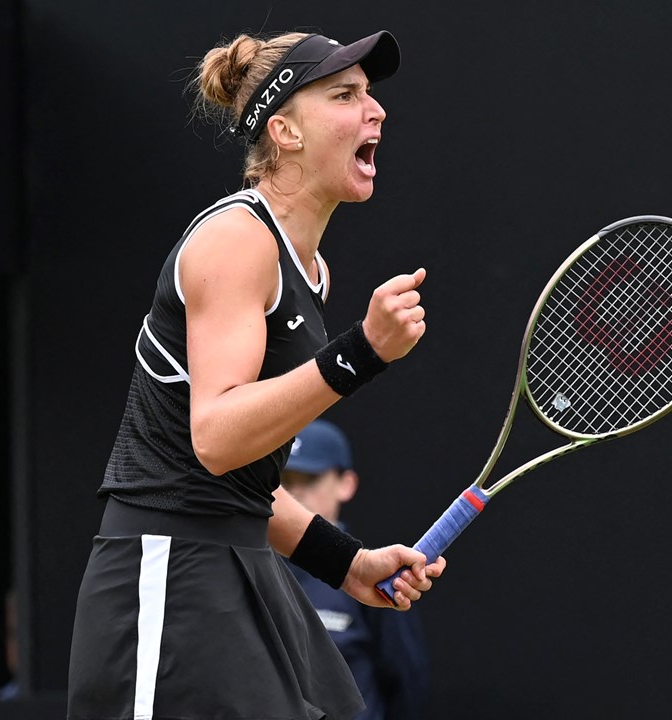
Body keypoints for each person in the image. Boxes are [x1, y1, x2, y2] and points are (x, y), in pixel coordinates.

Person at [66, 28, 446, 720]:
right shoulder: (238, 240)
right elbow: (216, 436)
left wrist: (346, 562)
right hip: (168, 569)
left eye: (370, 95)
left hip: (235, 563)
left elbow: (237, 482)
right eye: (344, 94)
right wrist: (361, 352)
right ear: (285, 132)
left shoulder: (310, 272)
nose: (376, 111)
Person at [282, 419, 432, 720]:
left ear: (346, 484)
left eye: (309, 479)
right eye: (284, 481)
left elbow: (406, 680)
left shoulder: (376, 575)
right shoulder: (247, 566)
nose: (294, 493)